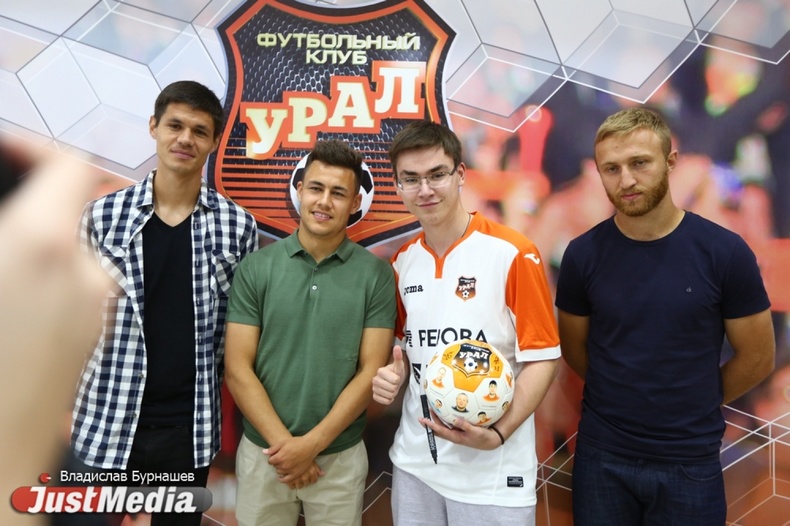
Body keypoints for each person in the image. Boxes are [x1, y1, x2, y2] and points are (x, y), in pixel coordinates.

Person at [555, 107, 776, 525]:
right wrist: (621, 396)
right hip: (602, 458)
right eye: (612, 168)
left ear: (671, 161)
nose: (626, 180)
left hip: (689, 460)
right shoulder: (582, 255)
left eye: (640, 163)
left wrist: (696, 401)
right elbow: (574, 347)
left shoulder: (724, 252)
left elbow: (759, 356)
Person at [70, 80, 259, 526]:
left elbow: (240, 329)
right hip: (105, 417)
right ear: (154, 126)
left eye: (199, 131)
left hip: (187, 430)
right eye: (175, 125)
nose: (185, 139)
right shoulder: (102, 217)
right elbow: (72, 322)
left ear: (214, 141)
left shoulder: (238, 227)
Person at [371, 120, 561, 525]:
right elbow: (405, 350)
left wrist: (498, 433)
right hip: (415, 466)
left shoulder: (512, 252)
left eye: (437, 174)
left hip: (491, 475)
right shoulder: (402, 262)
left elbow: (543, 358)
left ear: (460, 174)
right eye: (411, 179)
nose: (425, 189)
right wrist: (391, 375)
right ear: (398, 187)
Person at [224, 139, 396, 526]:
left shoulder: (376, 275)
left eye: (338, 193)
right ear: (299, 190)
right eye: (316, 188)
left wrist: (310, 446)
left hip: (339, 457)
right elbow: (237, 368)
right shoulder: (257, 268)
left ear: (355, 203)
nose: (324, 201)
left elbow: (370, 370)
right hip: (264, 453)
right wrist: (286, 448)